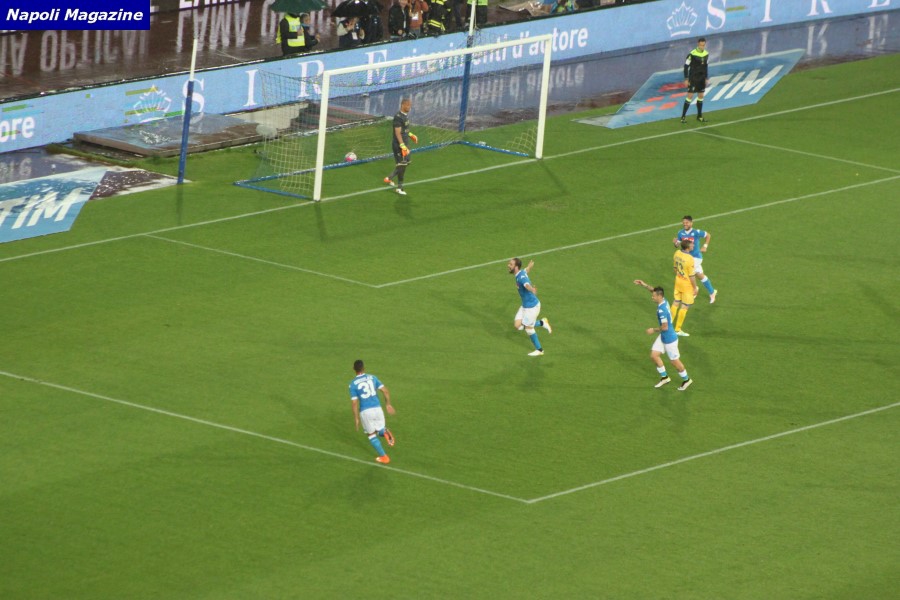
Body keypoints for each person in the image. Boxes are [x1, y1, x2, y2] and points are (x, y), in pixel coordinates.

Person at [632, 281, 693, 391]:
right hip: (664, 336)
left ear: (659, 296)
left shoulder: (662, 310)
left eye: (654, 296)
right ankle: (665, 377)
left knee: (674, 361)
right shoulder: (664, 301)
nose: (652, 297)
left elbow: (664, 327)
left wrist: (653, 330)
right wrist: (643, 284)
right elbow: (653, 290)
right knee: (654, 355)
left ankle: (686, 379)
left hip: (669, 339)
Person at [349, 359, 396, 464]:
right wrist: (388, 404)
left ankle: (384, 457)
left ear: (353, 369)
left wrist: (356, 418)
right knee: (379, 429)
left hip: (366, 411)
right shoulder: (373, 378)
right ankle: (384, 432)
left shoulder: (352, 384)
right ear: (364, 368)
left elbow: (354, 403)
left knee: (371, 434)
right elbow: (385, 391)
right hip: (378, 408)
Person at [507, 258, 552, 356]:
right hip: (525, 306)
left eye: (510, 264)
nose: (508, 266)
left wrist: (532, 289)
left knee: (528, 329)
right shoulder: (520, 273)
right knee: (517, 325)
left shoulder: (521, 278)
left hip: (532, 307)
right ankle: (542, 322)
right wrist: (529, 267)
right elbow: (526, 270)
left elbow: (526, 284)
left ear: (516, 267)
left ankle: (539, 350)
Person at [673, 215, 717, 303]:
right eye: (683, 222)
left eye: (687, 222)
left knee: (687, 273)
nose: (685, 224)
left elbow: (708, 235)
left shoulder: (696, 232)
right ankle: (712, 292)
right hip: (686, 257)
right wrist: (675, 243)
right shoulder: (680, 233)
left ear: (691, 223)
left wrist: (705, 246)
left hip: (696, 257)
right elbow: (678, 244)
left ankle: (695, 289)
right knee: (700, 275)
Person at [384, 98, 418, 195]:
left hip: (405, 143)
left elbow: (404, 129)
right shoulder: (398, 117)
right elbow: (397, 133)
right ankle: (399, 187)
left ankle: (389, 178)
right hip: (399, 145)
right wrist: (402, 145)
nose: (409, 107)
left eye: (410, 105)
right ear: (402, 105)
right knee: (402, 165)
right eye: (407, 105)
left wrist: (411, 135)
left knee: (407, 162)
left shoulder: (405, 116)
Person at [671, 238, 699, 337]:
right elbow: (692, 276)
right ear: (687, 247)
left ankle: (669, 324)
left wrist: (680, 275)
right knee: (685, 306)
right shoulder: (690, 258)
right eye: (691, 244)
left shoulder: (677, 253)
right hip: (686, 284)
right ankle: (677, 329)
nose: (693, 245)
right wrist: (695, 287)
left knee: (676, 302)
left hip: (678, 281)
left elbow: (675, 268)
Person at [681, 37, 709, 123]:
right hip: (693, 78)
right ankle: (683, 117)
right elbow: (686, 67)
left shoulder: (706, 54)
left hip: (701, 79)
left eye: (703, 45)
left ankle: (699, 116)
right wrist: (686, 79)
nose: (702, 47)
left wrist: (706, 78)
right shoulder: (691, 54)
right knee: (689, 97)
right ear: (698, 44)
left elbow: (705, 67)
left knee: (701, 96)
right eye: (701, 45)